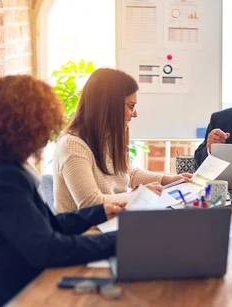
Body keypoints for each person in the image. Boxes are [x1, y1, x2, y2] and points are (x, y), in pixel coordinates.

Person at [0, 75, 123, 307]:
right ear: (23, 127)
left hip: (11, 279)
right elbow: (49, 249)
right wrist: (122, 240)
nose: (50, 132)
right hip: (3, 295)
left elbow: (46, 226)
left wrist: (99, 212)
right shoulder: (3, 181)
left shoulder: (1, 166)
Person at [53, 68, 191, 213]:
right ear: (108, 105)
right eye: (131, 106)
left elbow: (127, 173)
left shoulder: (107, 138)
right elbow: (91, 203)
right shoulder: (72, 146)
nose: (135, 114)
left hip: (110, 223)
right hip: (86, 232)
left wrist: (167, 180)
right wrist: (137, 195)